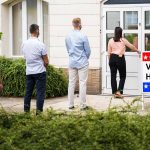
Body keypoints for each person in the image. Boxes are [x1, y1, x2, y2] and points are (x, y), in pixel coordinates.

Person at [21, 24, 49, 114]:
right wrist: (45, 66)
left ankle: (26, 112)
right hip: (40, 71)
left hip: (29, 72)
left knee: (28, 92)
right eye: (39, 30)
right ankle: (39, 113)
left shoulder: (24, 43)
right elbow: (46, 61)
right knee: (40, 93)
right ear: (37, 30)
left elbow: (25, 57)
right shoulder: (40, 44)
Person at [65, 18, 91, 110]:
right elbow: (88, 51)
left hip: (72, 62)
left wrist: (72, 56)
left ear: (73, 24)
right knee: (82, 83)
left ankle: (70, 104)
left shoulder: (68, 36)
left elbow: (68, 49)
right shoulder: (83, 35)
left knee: (71, 83)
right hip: (82, 62)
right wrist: (85, 58)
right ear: (79, 24)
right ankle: (83, 105)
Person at [108, 27, 140, 98]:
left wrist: (110, 61)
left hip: (112, 58)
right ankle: (119, 92)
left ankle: (115, 92)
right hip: (120, 58)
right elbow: (131, 46)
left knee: (113, 76)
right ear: (121, 32)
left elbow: (109, 52)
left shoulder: (110, 40)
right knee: (122, 76)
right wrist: (137, 50)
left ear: (115, 32)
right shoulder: (123, 40)